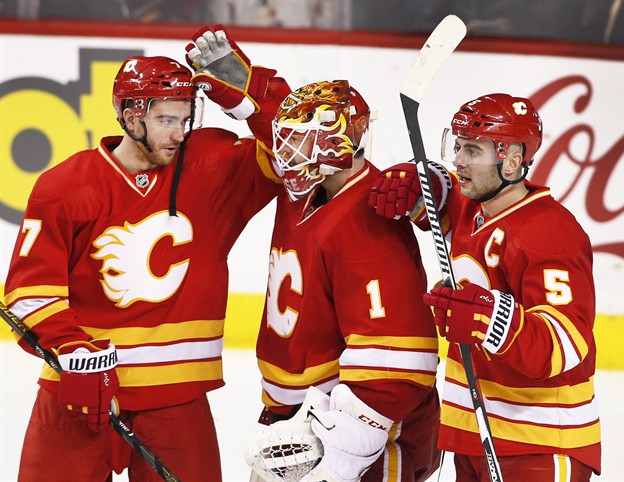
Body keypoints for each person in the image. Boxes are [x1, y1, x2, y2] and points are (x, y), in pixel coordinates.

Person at [2, 26, 290, 481]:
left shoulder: (209, 168)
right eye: (165, 120)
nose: (179, 133)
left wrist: (251, 98)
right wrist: (71, 350)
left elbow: (296, 157)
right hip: (78, 391)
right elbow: (29, 290)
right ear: (129, 115)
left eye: (185, 118)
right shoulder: (65, 186)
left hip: (177, 401)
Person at [370, 93, 601, 480]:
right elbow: (446, 208)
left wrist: (492, 319)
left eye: (472, 150)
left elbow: (566, 341)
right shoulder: (472, 208)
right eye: (456, 146)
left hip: (539, 442)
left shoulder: (550, 234)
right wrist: (425, 185)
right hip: (472, 437)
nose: (458, 159)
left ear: (511, 160)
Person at [245, 80, 441, 482]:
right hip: (298, 418)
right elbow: (274, 128)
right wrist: (248, 88)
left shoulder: (369, 219)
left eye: (298, 144)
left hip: (358, 433)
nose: (285, 157)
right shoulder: (306, 191)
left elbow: (398, 362)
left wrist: (337, 445)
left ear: (337, 145)